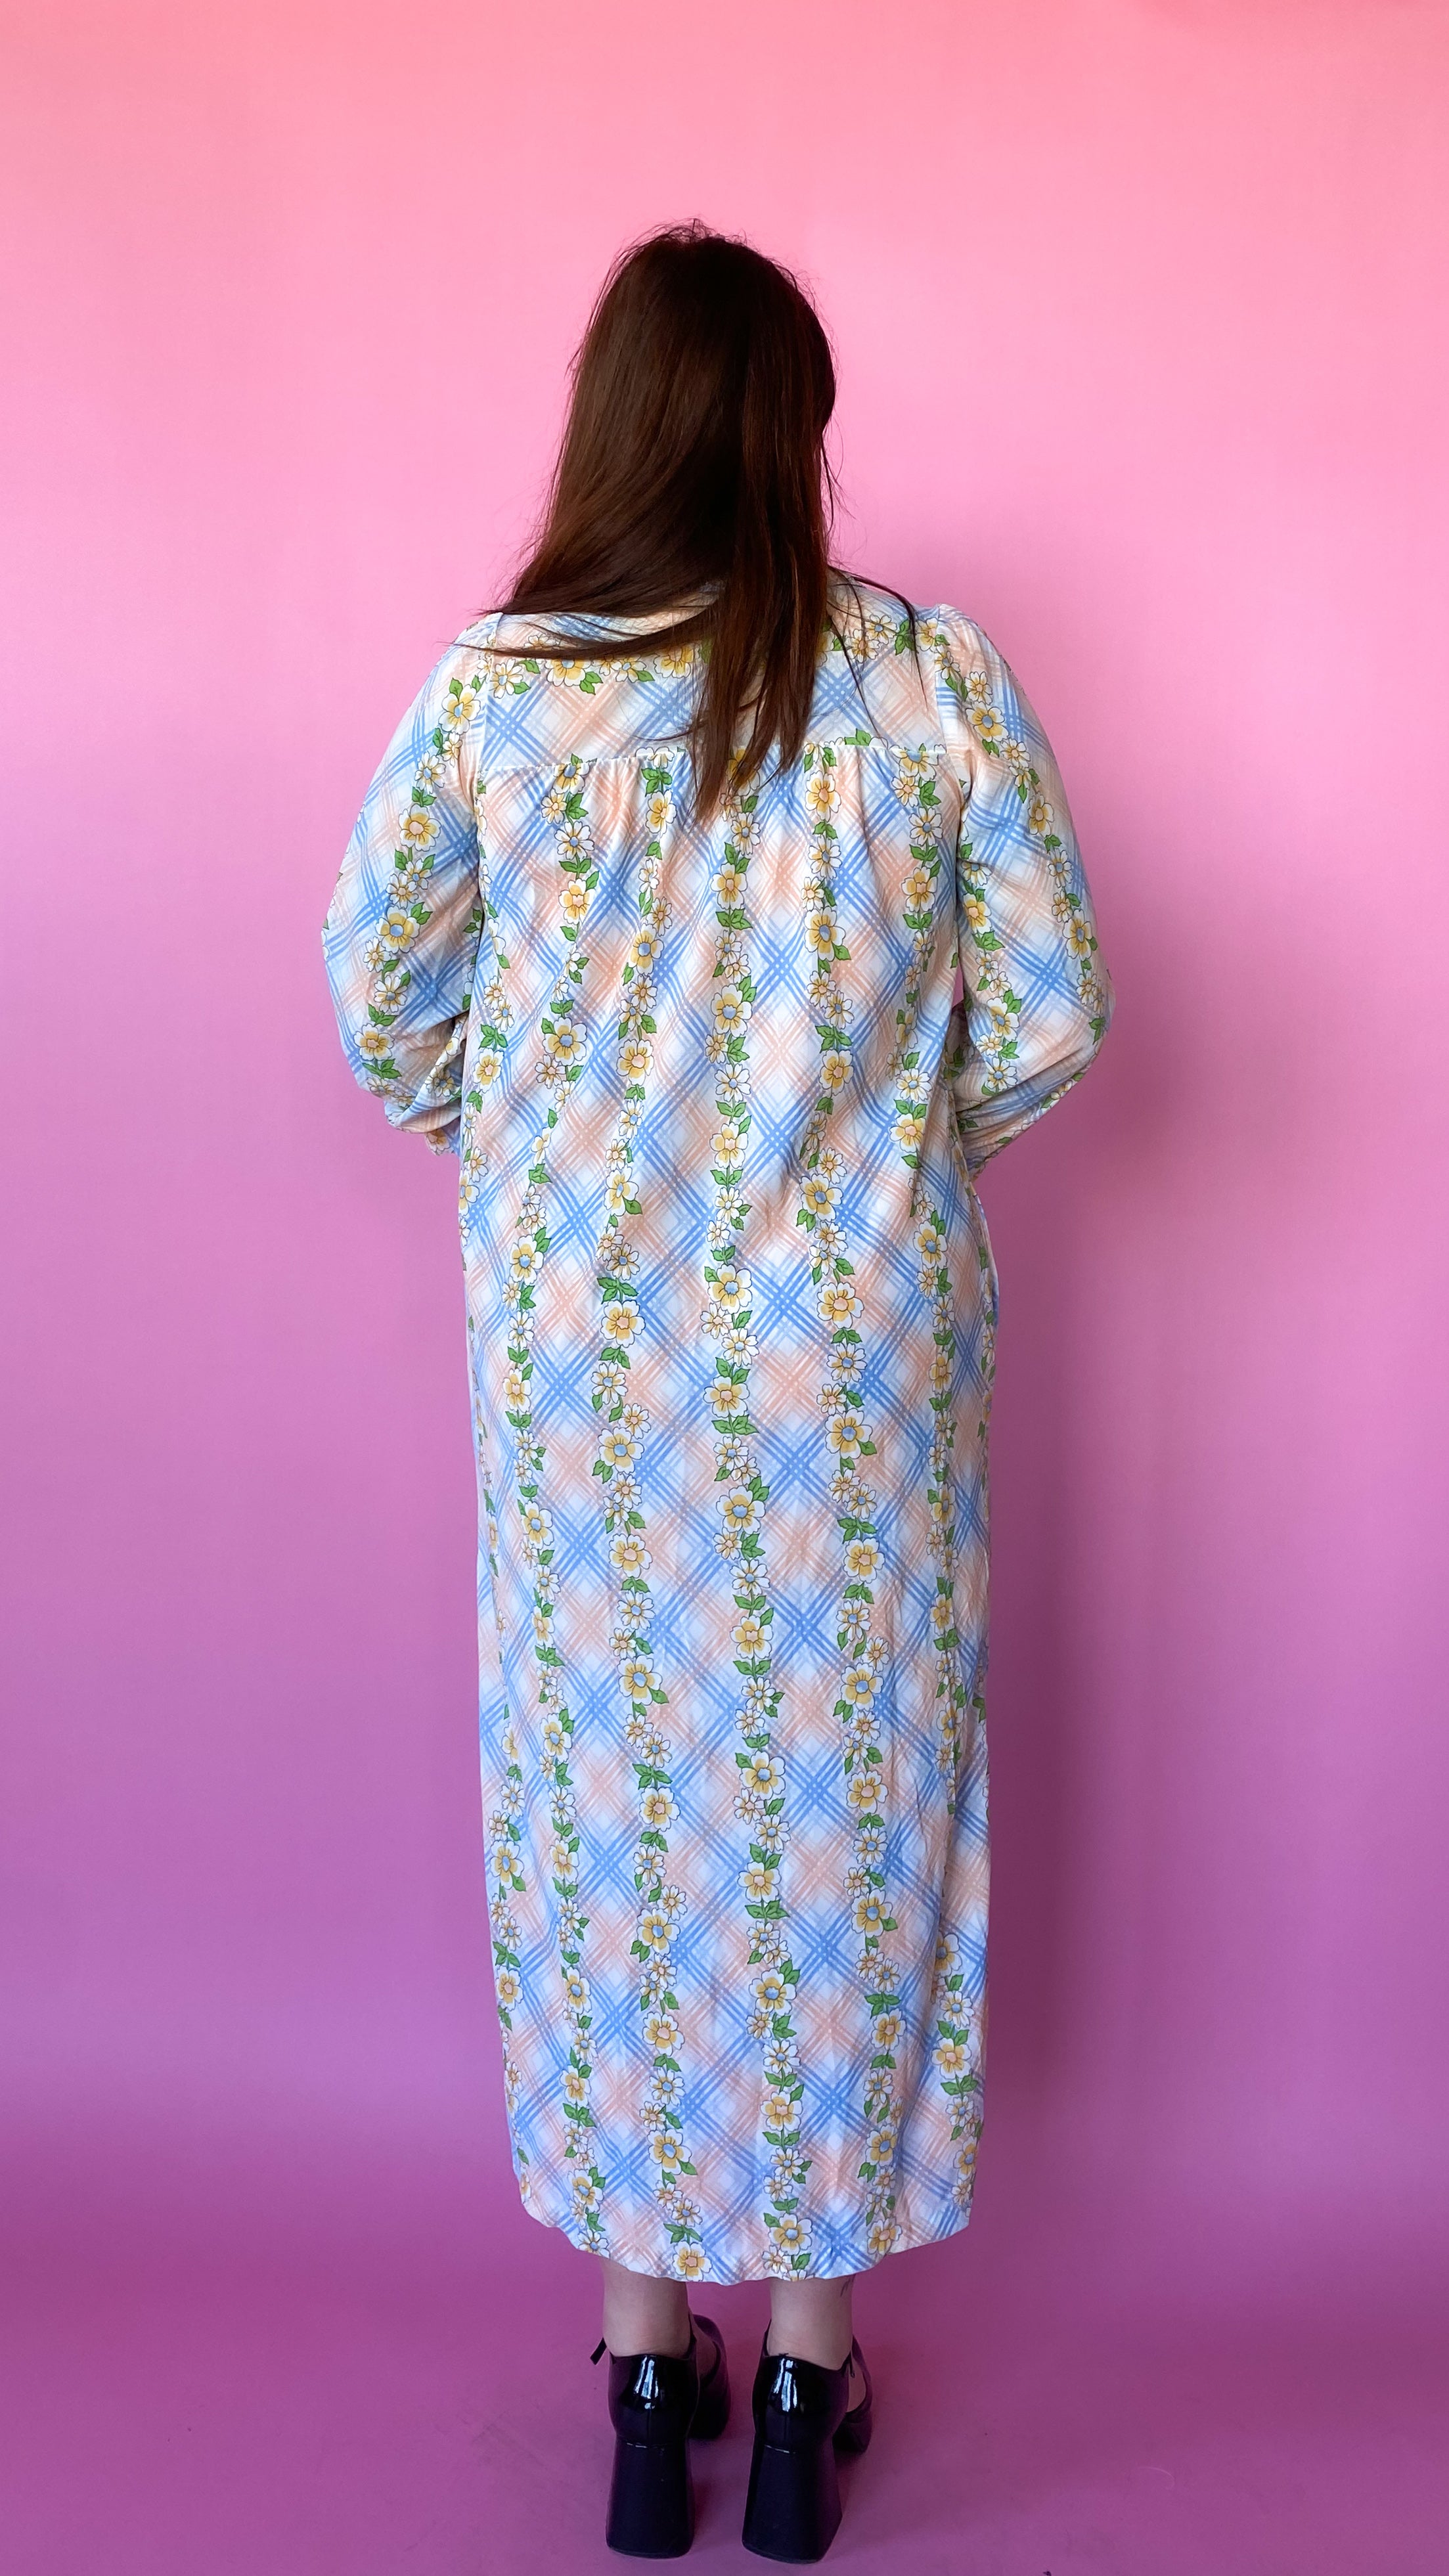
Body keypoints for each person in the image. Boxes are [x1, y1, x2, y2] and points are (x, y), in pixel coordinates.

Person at [323, 221, 1112, 2562]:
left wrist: (547, 1171)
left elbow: (381, 1000)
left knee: (608, 1836)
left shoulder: (497, 699)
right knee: (841, 1838)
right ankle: (803, 2383)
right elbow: (1057, 1011)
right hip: (846, 1385)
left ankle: (642, 2370)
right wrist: (875, 1176)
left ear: (614, 428)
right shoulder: (925, 685)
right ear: (791, 436)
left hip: (582, 1378)